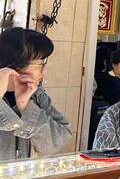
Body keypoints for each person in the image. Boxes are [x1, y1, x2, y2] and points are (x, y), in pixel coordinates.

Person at [0, 28, 70, 161]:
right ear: (16, 63)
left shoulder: (36, 95)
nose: (43, 71)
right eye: (41, 63)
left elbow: (56, 142)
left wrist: (25, 107)